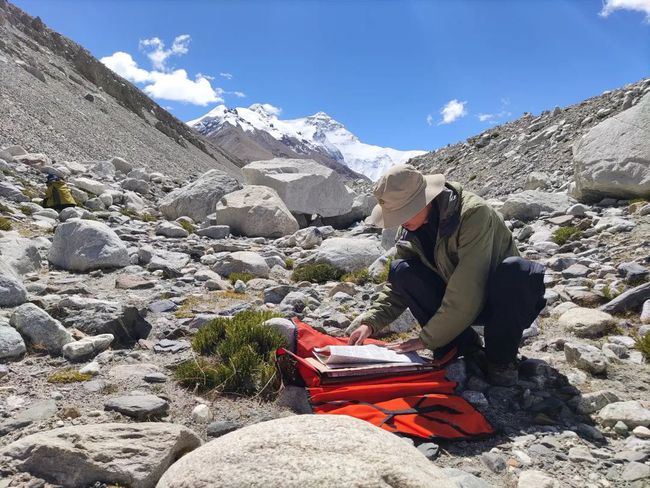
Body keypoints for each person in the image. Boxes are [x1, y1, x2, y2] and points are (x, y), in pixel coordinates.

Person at [348, 165, 546, 386]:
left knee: (517, 271)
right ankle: (461, 348)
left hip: (499, 301)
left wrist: (426, 339)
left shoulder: (473, 214)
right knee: (402, 270)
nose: (400, 221)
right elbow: (397, 288)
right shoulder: (411, 229)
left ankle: (500, 360)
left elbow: (470, 287)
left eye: (403, 212)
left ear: (425, 199)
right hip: (457, 298)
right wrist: (371, 323)